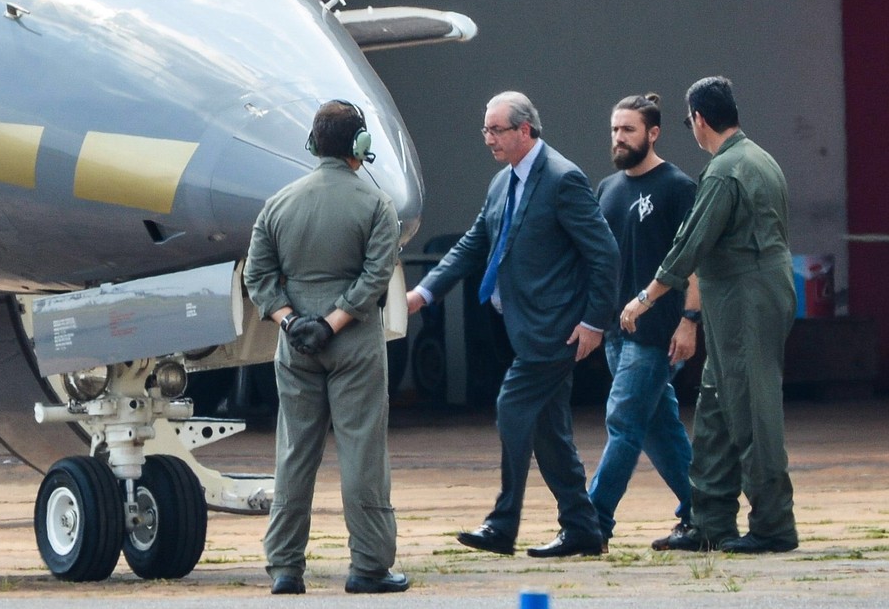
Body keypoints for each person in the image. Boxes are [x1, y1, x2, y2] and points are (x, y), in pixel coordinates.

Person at [407, 91, 620, 558]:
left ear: (525, 130)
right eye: (485, 130)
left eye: (496, 130)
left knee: (512, 406)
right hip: (523, 326)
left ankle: (503, 524)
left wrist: (594, 321)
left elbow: (604, 253)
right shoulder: (502, 182)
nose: (488, 139)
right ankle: (582, 528)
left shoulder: (563, 178)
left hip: (557, 329)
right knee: (549, 431)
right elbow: (474, 243)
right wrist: (424, 293)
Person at [621, 76, 798, 554]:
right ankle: (710, 521)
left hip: (745, 301)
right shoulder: (759, 159)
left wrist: (645, 298)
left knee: (752, 410)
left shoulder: (724, 171)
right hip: (747, 299)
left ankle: (773, 526)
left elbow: (690, 245)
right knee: (717, 408)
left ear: (699, 119)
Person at [243, 99, 409, 594]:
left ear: (313, 143)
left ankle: (285, 567)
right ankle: (369, 566)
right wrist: (333, 323)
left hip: (296, 344)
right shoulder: (376, 204)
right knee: (362, 452)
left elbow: (257, 276)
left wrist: (292, 321)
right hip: (353, 340)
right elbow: (375, 276)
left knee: (294, 452)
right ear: (361, 145)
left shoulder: (278, 205)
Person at [589, 93, 699, 549]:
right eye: (615, 129)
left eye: (628, 129)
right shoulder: (607, 189)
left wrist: (690, 319)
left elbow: (695, 261)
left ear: (653, 133)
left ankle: (591, 523)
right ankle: (703, 514)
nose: (619, 137)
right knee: (659, 429)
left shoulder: (677, 187)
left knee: (623, 422)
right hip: (617, 332)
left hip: (658, 333)